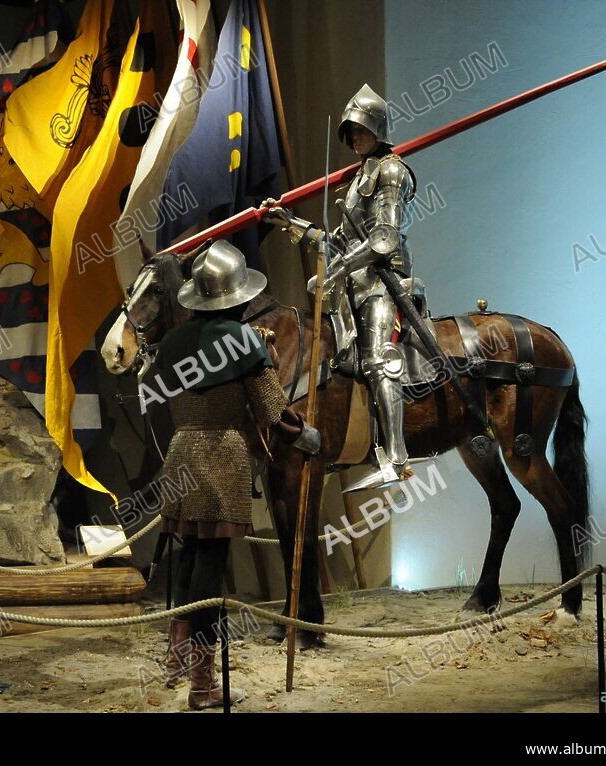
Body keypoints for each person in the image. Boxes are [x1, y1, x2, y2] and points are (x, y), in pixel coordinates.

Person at [155, 240, 320, 709]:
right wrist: (304, 435)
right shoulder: (244, 340)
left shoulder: (172, 341)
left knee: (189, 555)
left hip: (180, 452)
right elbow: (271, 410)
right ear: (237, 294)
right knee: (210, 564)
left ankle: (177, 660)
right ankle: (203, 685)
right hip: (221, 457)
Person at [261, 83, 417, 492]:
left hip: (383, 282)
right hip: (353, 289)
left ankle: (396, 458)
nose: (356, 137)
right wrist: (291, 222)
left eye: (362, 130)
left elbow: (384, 238)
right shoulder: (359, 176)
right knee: (334, 365)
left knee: (379, 361)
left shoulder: (391, 171)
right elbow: (338, 243)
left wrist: (338, 270)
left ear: (378, 129)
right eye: (351, 132)